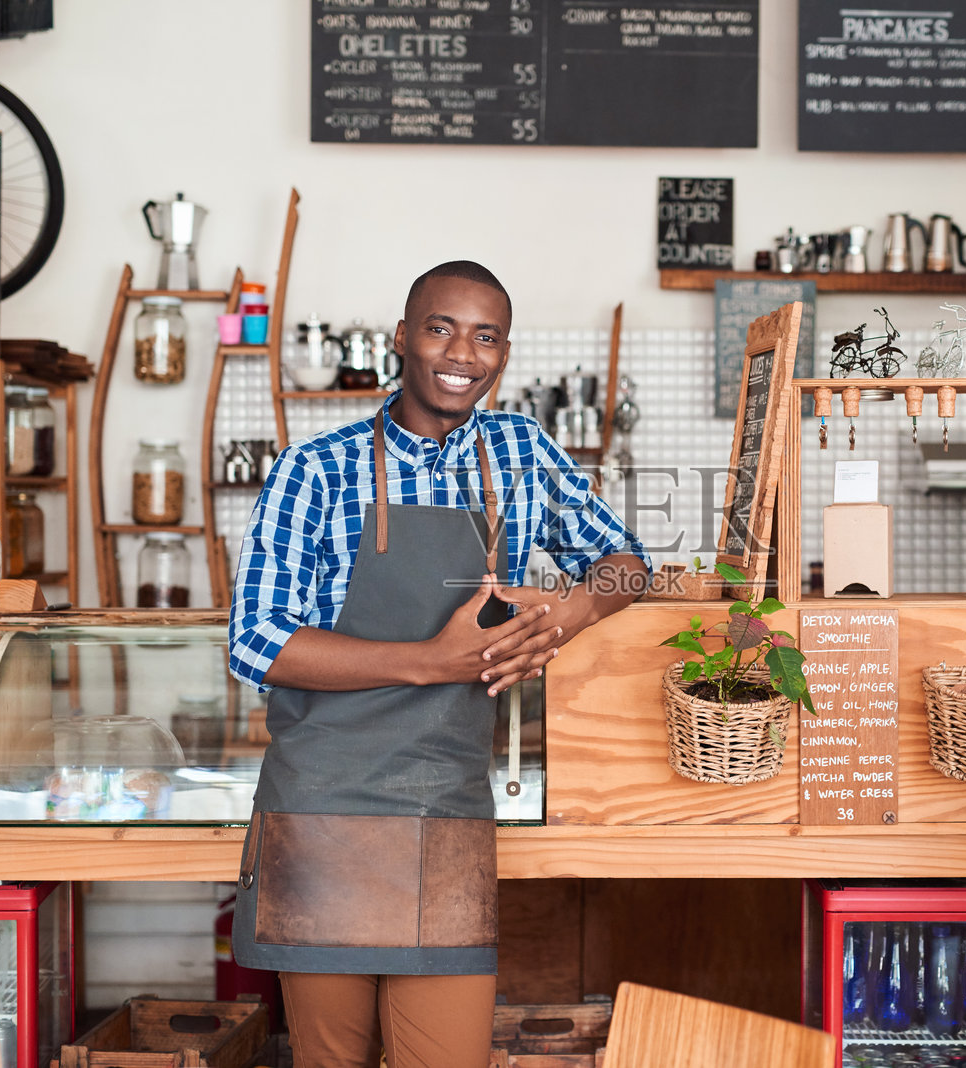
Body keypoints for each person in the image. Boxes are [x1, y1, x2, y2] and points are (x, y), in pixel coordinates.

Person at [227, 260, 649, 1068]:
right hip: (324, 812)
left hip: (446, 808)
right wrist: (431, 660)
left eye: (485, 336)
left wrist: (563, 616)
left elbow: (627, 563)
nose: (462, 353)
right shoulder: (314, 469)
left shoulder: (520, 451)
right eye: (440, 328)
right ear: (402, 338)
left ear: (504, 354)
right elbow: (256, 640)